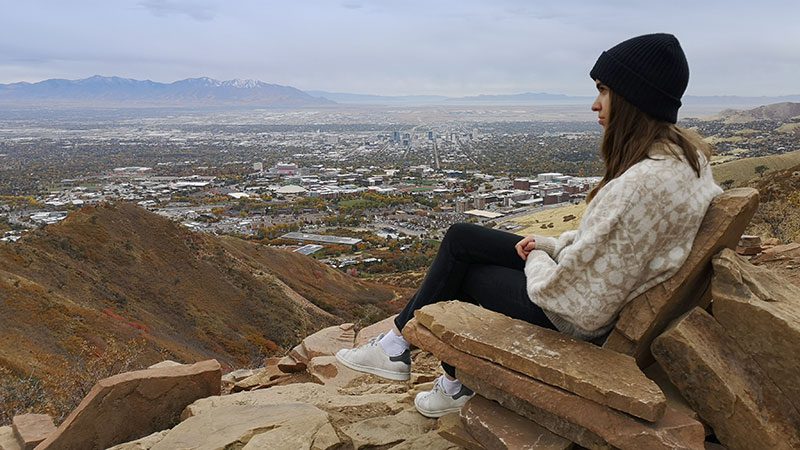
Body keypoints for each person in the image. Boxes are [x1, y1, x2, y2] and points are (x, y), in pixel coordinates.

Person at [336, 33, 723, 418]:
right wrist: (549, 245)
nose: (595, 104)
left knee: (466, 273)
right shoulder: (686, 163)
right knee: (460, 237)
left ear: (633, 99)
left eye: (604, 91)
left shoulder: (637, 187)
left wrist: (537, 256)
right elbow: (607, 245)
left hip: (570, 318)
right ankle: (397, 348)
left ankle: (446, 379)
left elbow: (579, 307)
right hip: (595, 294)